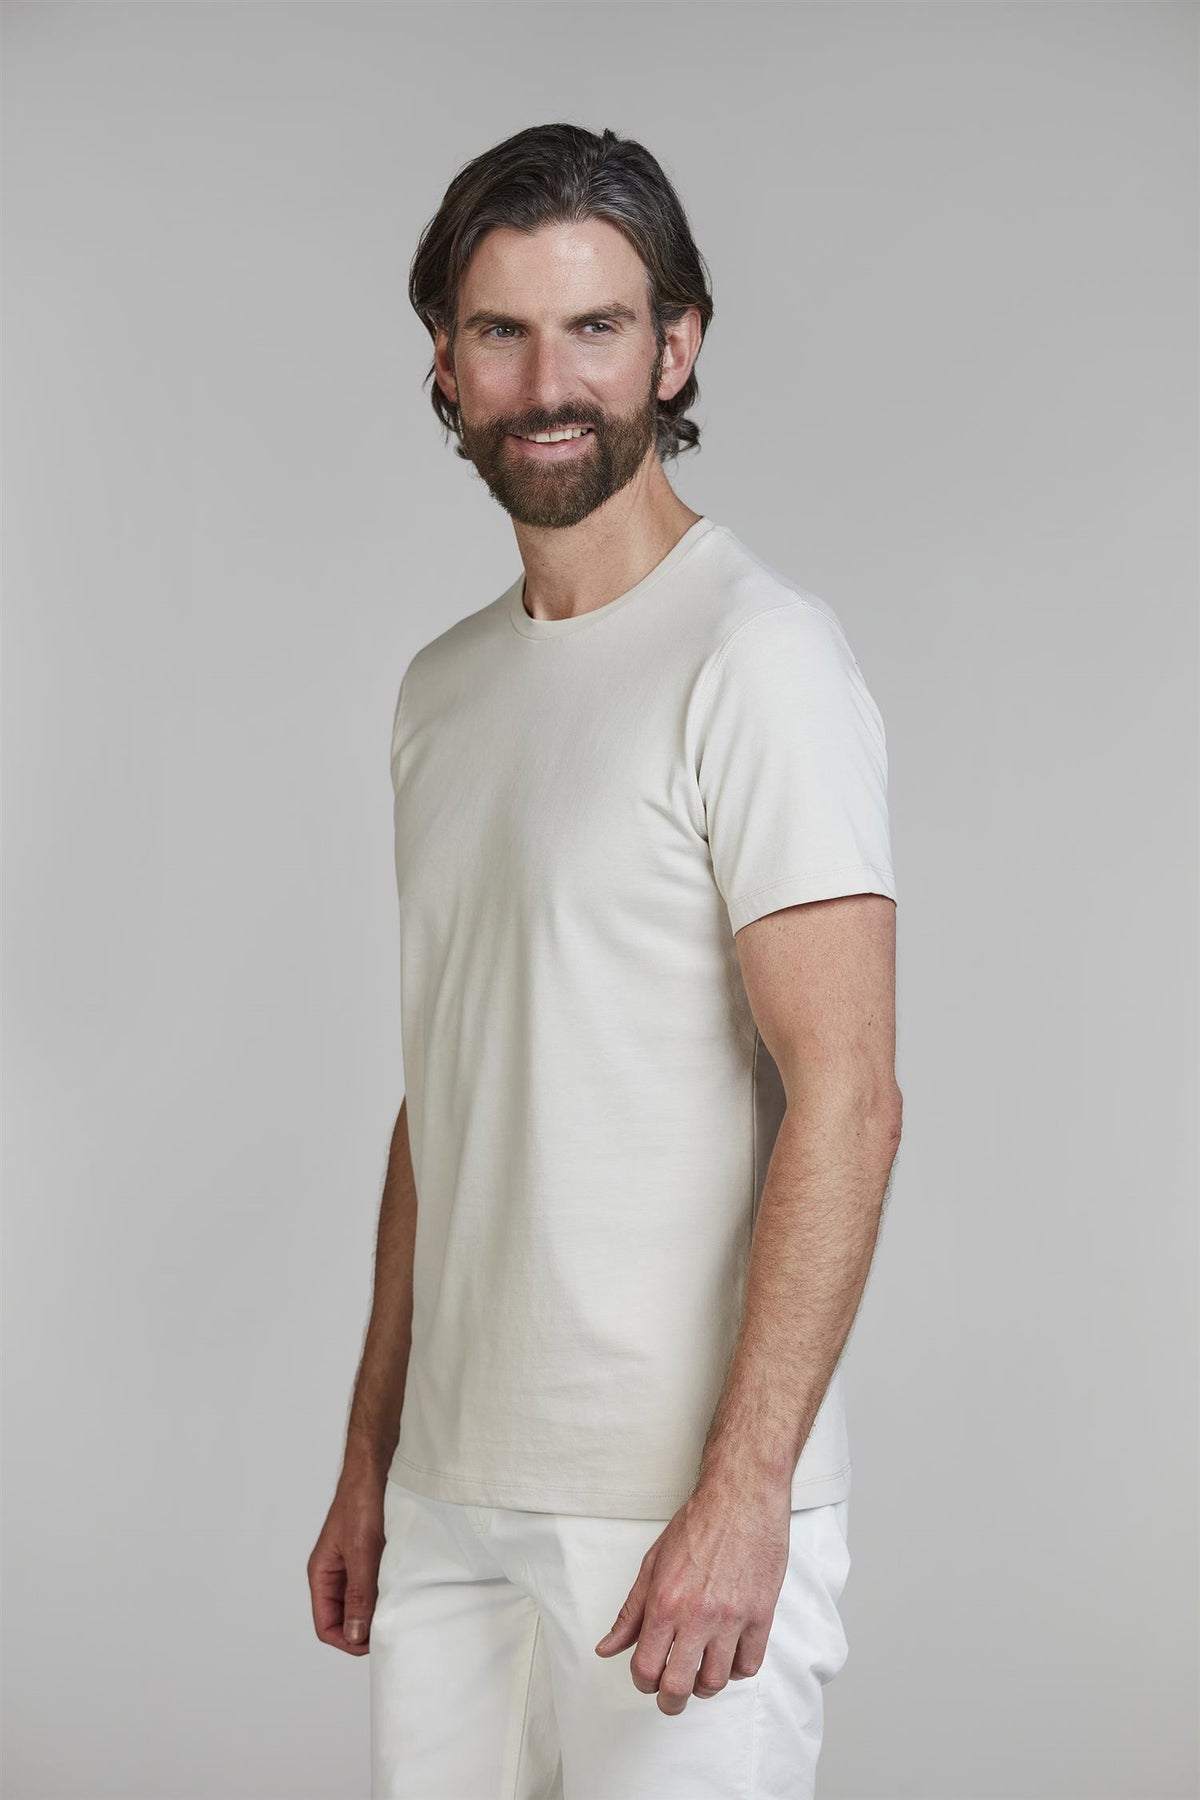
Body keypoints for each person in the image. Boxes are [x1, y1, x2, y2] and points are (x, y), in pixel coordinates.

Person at [307, 122, 903, 1800]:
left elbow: (850, 1098)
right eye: (501, 331)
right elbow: (447, 1098)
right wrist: (371, 1455)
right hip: (449, 1509)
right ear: (446, 361)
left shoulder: (757, 656)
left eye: (597, 327)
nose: (548, 382)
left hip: (672, 1514)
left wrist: (747, 1491)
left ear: (675, 346)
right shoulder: (441, 691)